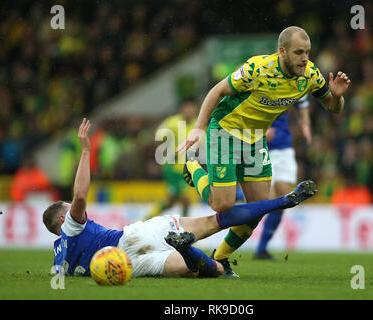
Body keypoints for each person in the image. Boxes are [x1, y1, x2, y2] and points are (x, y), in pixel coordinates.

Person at [44, 118, 317, 278]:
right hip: (133, 238)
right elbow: (80, 197)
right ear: (61, 217)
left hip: (136, 265)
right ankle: (283, 201)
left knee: (209, 272)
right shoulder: (69, 226)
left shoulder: (60, 259)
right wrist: (84, 151)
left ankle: (187, 249)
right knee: (216, 220)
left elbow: (59, 275)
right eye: (67, 211)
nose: (75, 212)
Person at [176, 26, 351, 277]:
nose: (305, 58)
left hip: (255, 142)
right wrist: (199, 128)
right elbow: (217, 90)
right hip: (225, 131)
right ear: (282, 51)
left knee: (258, 208)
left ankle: (220, 258)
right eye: (299, 52)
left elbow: (333, 108)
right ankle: (193, 166)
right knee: (223, 204)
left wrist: (337, 97)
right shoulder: (257, 69)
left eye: (308, 52)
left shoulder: (311, 75)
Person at [254, 95, 311, 260]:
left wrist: (305, 122)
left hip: (284, 148)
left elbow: (303, 101)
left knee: (283, 200)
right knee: (264, 198)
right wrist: (259, 132)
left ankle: (261, 249)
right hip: (261, 148)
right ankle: (237, 196)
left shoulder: (293, 83)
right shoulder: (258, 80)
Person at [144, 100, 199, 220]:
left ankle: (143, 220)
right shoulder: (172, 122)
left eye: (192, 107)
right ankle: (185, 229)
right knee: (186, 200)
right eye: (187, 107)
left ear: (196, 109)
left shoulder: (198, 124)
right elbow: (156, 138)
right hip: (172, 166)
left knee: (170, 202)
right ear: (182, 108)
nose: (189, 110)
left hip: (187, 168)